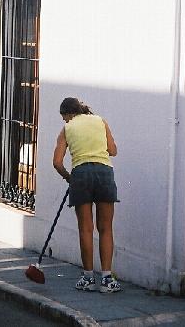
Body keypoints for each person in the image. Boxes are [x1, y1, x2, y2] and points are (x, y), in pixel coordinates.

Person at [53, 97, 121, 293]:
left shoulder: (67, 129)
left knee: (86, 229)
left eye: (64, 118)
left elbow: (57, 162)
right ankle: (107, 279)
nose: (66, 122)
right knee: (106, 228)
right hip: (104, 172)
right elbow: (113, 150)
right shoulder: (101, 121)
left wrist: (69, 178)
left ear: (67, 114)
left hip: (81, 174)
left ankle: (88, 278)